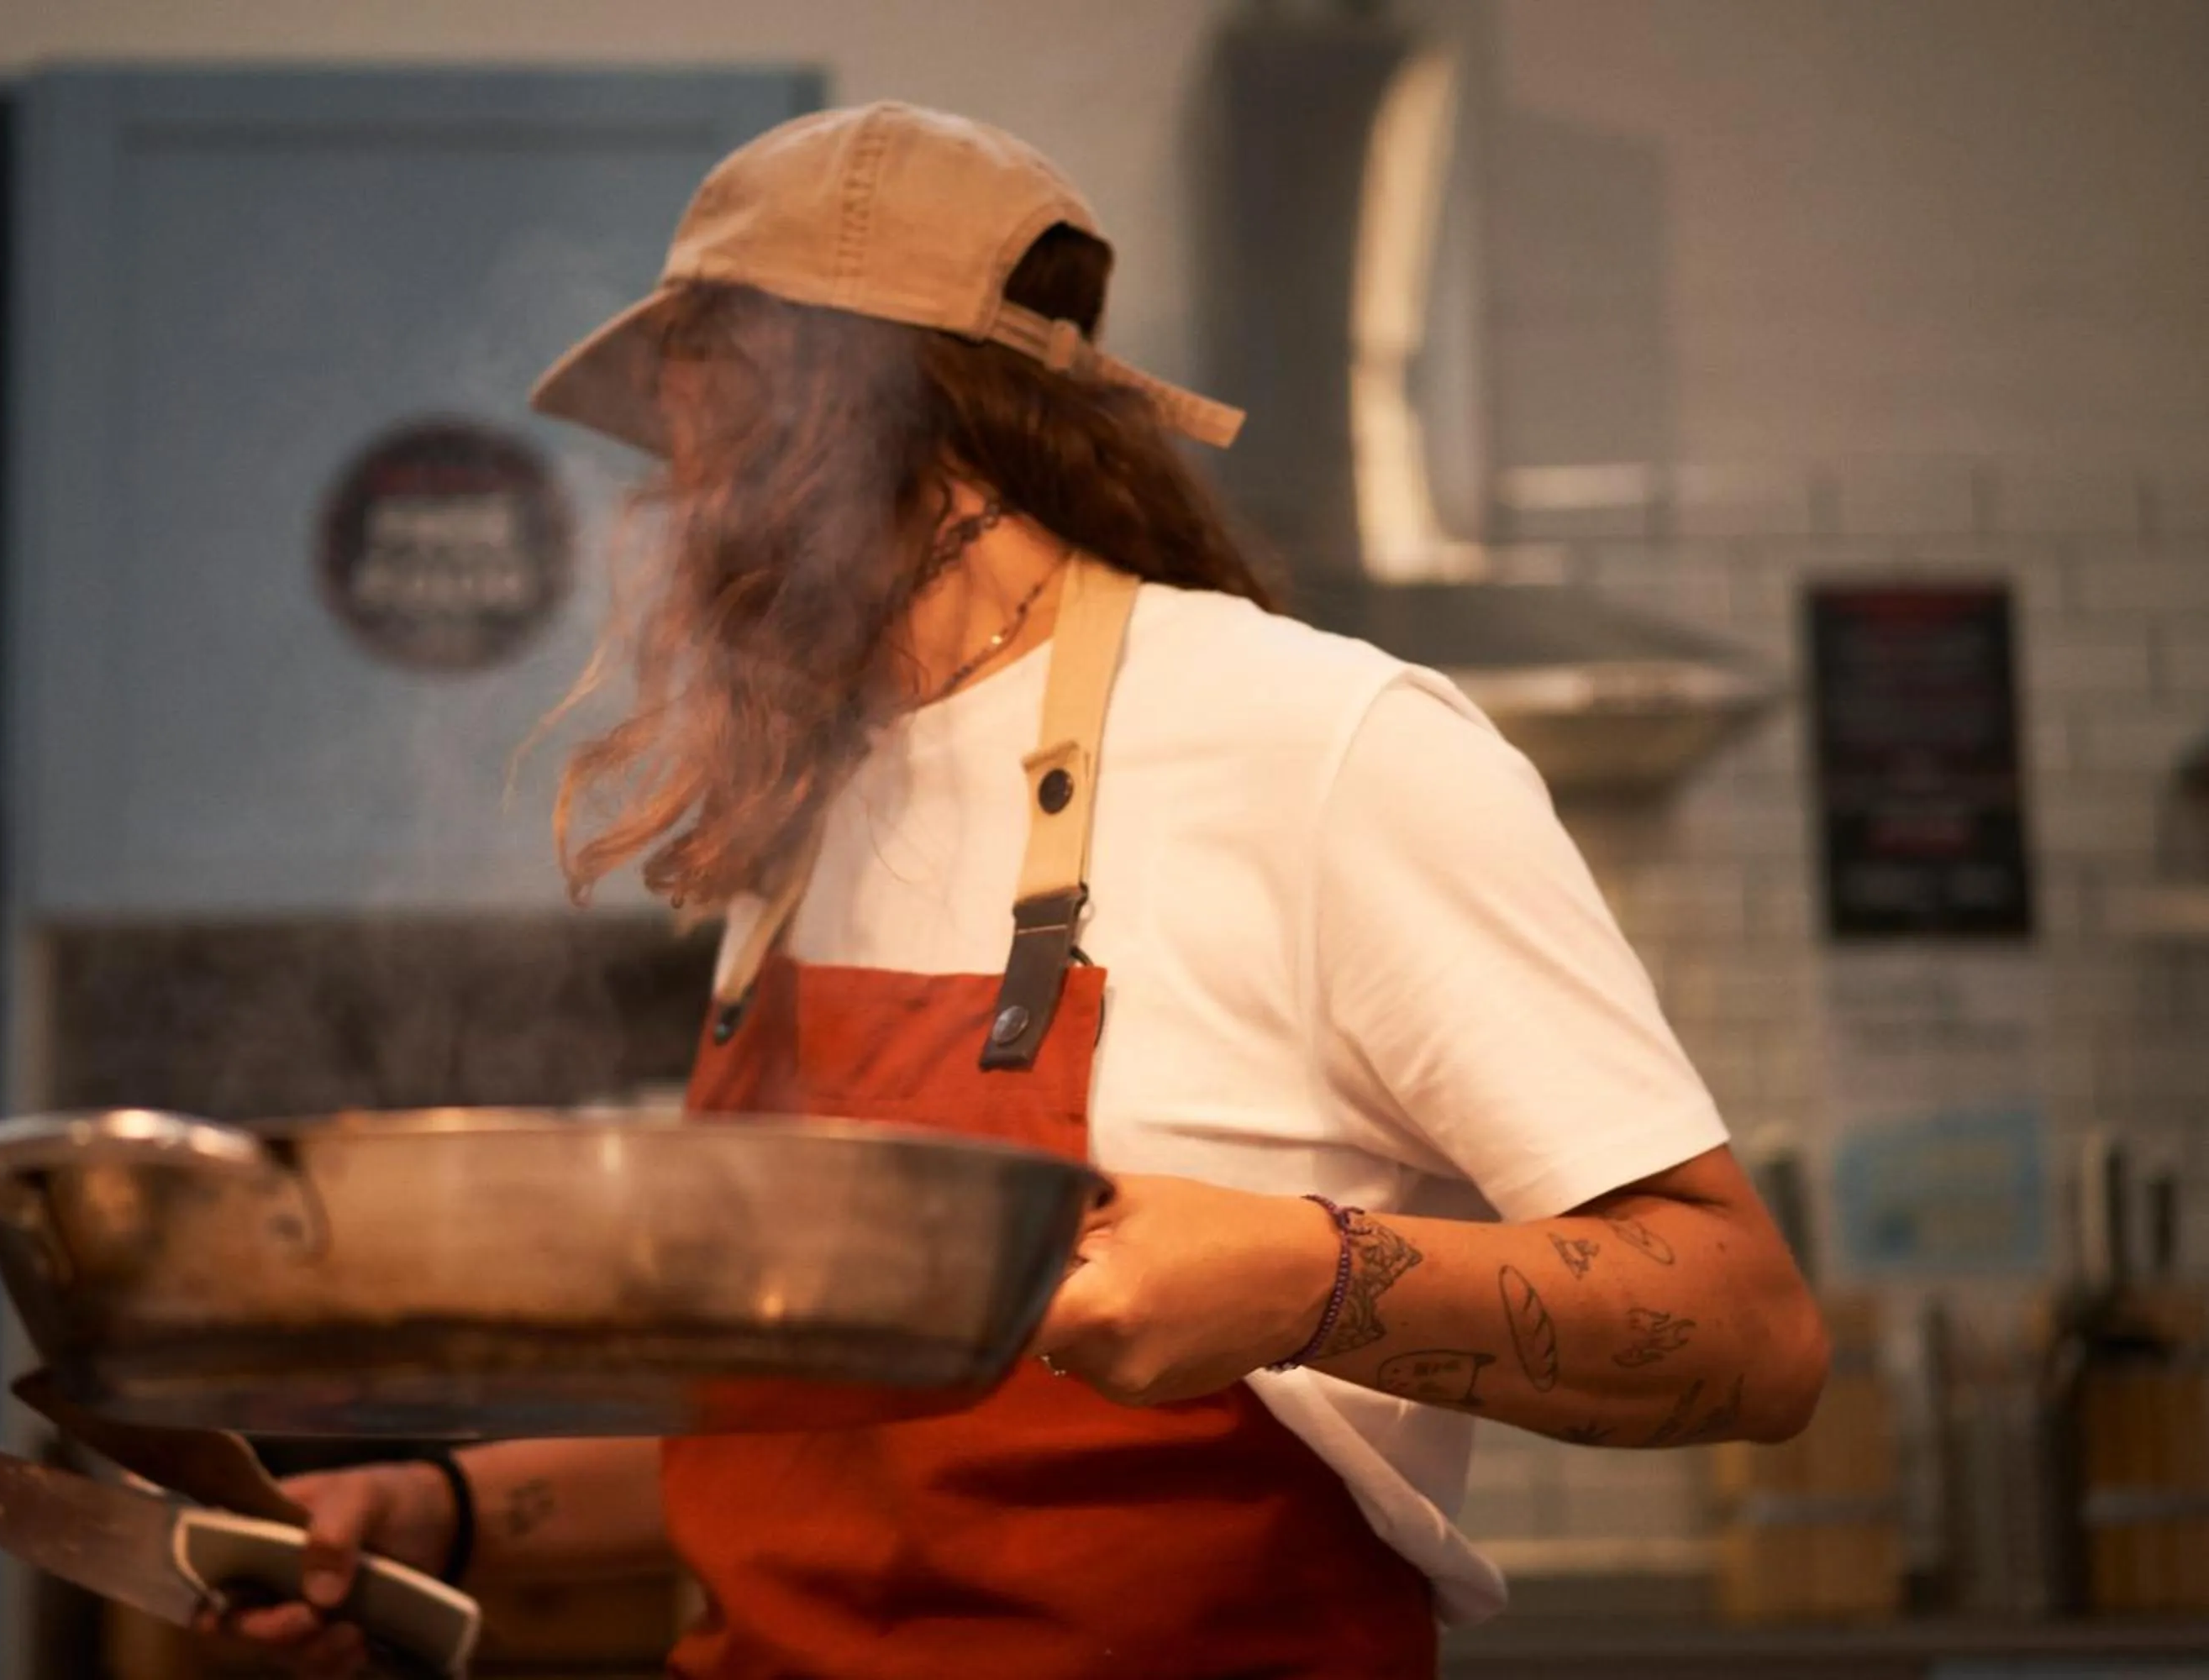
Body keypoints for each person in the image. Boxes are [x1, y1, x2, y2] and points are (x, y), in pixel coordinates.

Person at [230, 101, 1828, 1680]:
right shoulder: (816, 805)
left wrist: (1302, 1278)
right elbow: (813, 1446)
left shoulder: (1321, 742)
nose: (672, 510)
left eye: (704, 427)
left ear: (850, 399)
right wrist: (445, 1513)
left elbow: (1750, 1329)